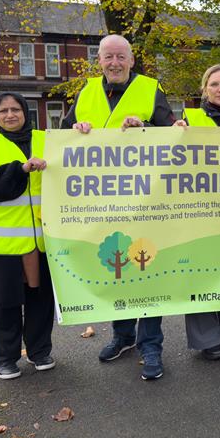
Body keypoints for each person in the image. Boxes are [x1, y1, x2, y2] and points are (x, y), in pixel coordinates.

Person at [61, 34, 175, 380]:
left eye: (120, 57)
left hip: (146, 202)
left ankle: (150, 344)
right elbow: (63, 138)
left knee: (148, 270)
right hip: (104, 205)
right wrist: (76, 129)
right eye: (108, 57)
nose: (114, 63)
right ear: (99, 61)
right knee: (118, 268)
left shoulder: (151, 89)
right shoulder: (85, 94)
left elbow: (172, 135)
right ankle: (123, 336)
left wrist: (147, 129)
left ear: (131, 61)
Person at [0, 93, 53, 380]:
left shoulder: (45, 139)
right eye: (3, 111)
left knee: (40, 300)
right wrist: (21, 170)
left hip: (39, 240)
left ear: (26, 113)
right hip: (0, 243)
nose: (10, 115)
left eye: (16, 109)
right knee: (3, 303)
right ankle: (5, 357)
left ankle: (39, 351)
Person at [173, 64, 220, 360]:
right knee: (201, 271)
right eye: (214, 84)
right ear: (204, 89)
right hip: (200, 209)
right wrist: (175, 132)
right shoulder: (190, 118)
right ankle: (207, 338)